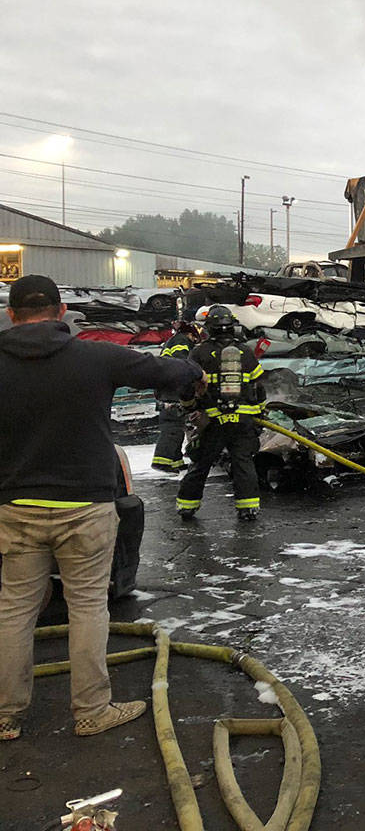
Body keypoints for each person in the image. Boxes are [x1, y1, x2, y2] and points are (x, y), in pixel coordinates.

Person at [0, 275, 200, 741]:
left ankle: (6, 716)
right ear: (61, 309)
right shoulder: (94, 356)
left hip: (14, 508)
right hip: (84, 507)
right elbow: (171, 374)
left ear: (11, 314)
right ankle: (91, 711)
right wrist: (195, 372)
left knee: (13, 611)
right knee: (87, 607)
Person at [175, 306, 265, 521]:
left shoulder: (199, 352)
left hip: (213, 420)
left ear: (210, 329)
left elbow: (188, 384)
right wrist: (259, 414)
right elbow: (259, 387)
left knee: (201, 462)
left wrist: (189, 407)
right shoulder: (246, 351)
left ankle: (187, 506)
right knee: (243, 461)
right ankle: (248, 508)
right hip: (243, 419)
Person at [150, 321, 202, 473]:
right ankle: (161, 460)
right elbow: (182, 364)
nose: (194, 341)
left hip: (167, 387)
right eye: (194, 338)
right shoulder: (181, 341)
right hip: (173, 389)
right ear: (190, 334)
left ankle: (176, 461)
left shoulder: (172, 341)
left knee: (177, 426)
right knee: (172, 427)